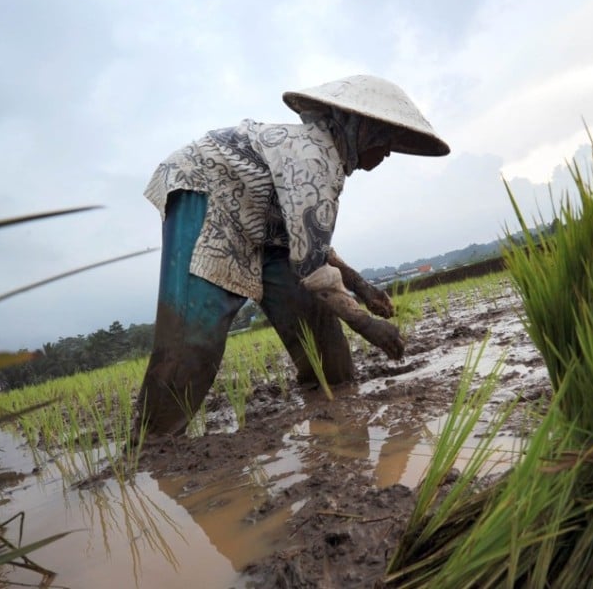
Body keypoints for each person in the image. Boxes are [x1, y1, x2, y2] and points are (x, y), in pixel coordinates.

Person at [134, 75, 450, 436]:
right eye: (386, 141)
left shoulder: (325, 161)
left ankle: (334, 409)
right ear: (363, 130)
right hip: (208, 193)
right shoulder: (312, 157)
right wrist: (367, 324)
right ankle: (154, 444)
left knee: (318, 333)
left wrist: (362, 287)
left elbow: (309, 243)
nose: (388, 152)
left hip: (266, 229)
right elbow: (311, 263)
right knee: (195, 335)